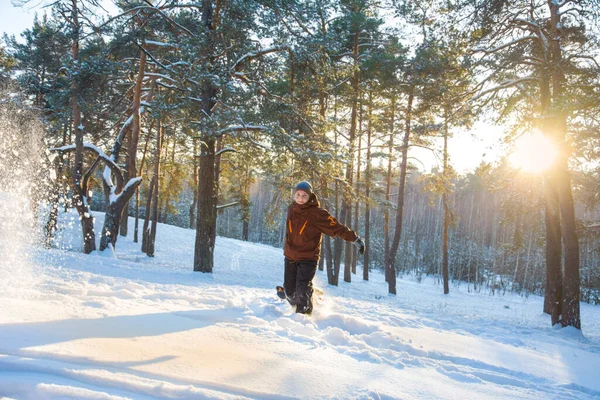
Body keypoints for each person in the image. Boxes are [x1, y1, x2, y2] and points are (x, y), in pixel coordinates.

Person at [278, 181, 365, 314]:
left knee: (302, 290)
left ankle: (304, 316)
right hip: (290, 256)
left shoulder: (318, 214)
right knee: (290, 291)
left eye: (304, 196)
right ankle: (301, 296)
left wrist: (355, 239)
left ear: (310, 196)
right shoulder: (292, 209)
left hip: (308, 258)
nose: (300, 198)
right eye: (298, 195)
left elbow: (337, 227)